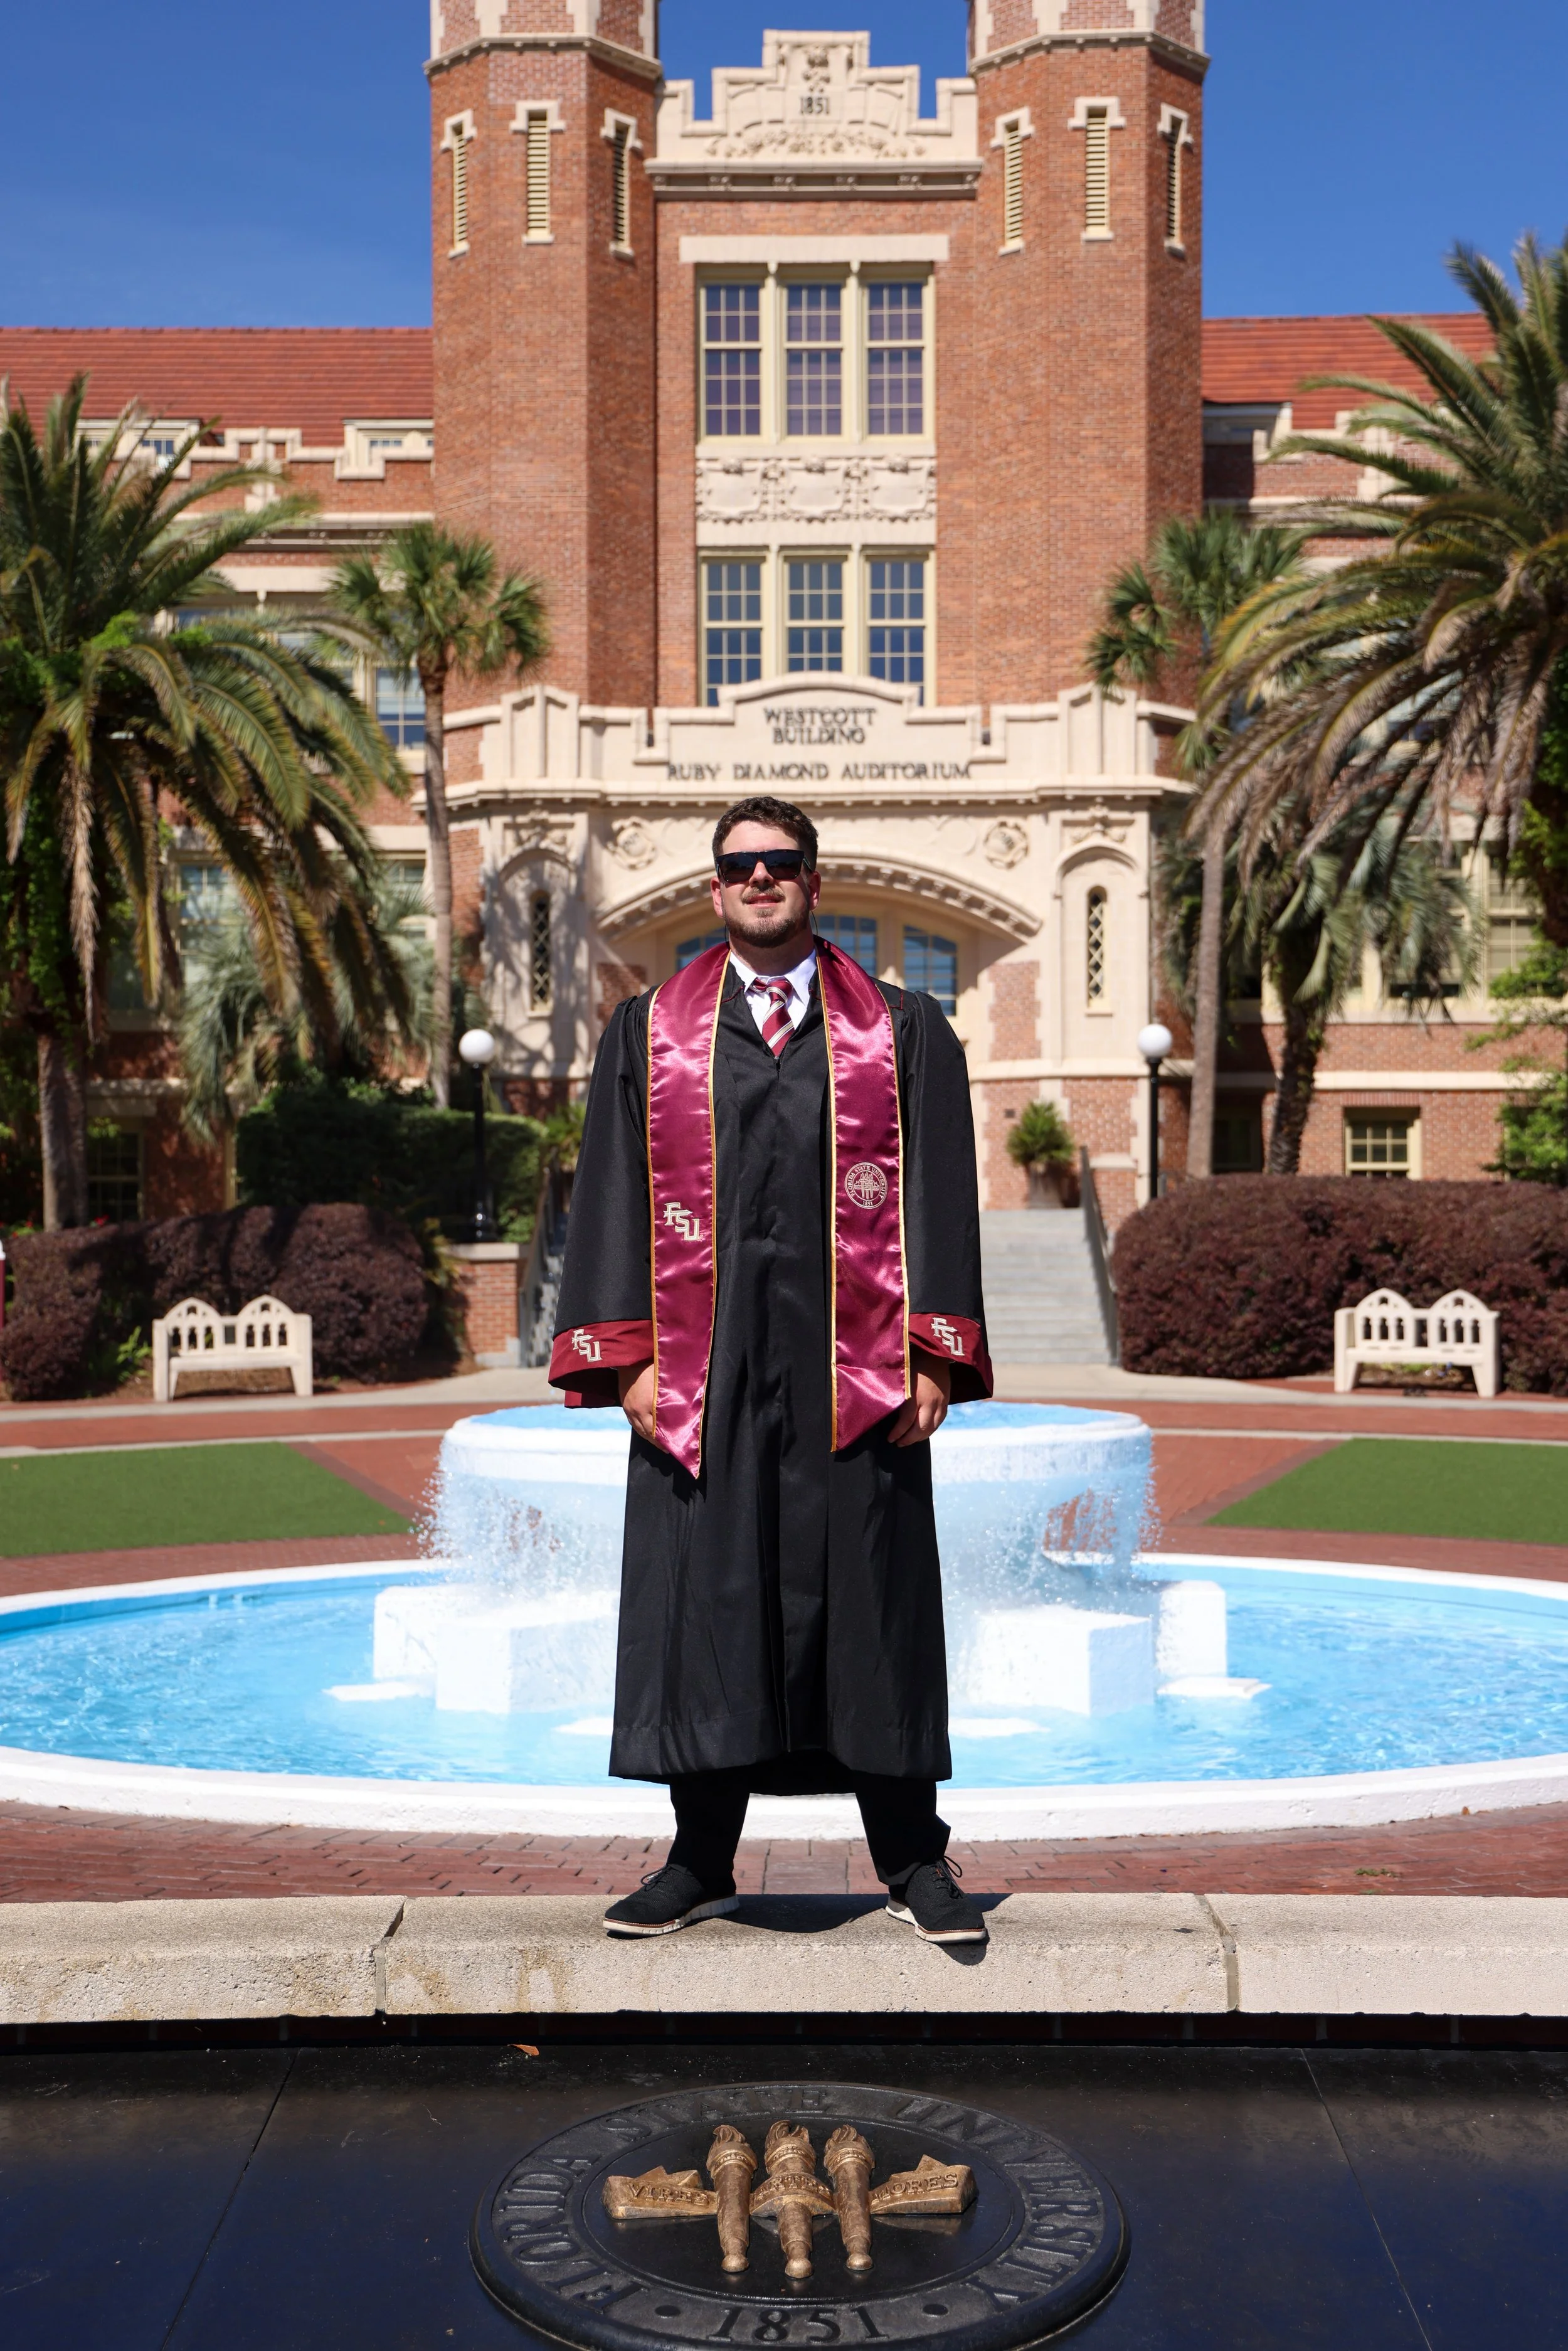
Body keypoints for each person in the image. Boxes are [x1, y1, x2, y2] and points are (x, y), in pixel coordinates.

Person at [549, 795, 993, 1943]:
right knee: (714, 1602)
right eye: (741, 865)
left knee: (876, 1607)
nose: (761, 879)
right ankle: (700, 1862)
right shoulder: (649, 1031)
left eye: (780, 863)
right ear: (714, 889)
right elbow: (608, 1197)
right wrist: (625, 1366)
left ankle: (913, 1859)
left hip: (858, 1374)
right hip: (709, 1376)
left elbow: (943, 1199)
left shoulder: (902, 1030)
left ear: (813, 877)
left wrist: (936, 1358)